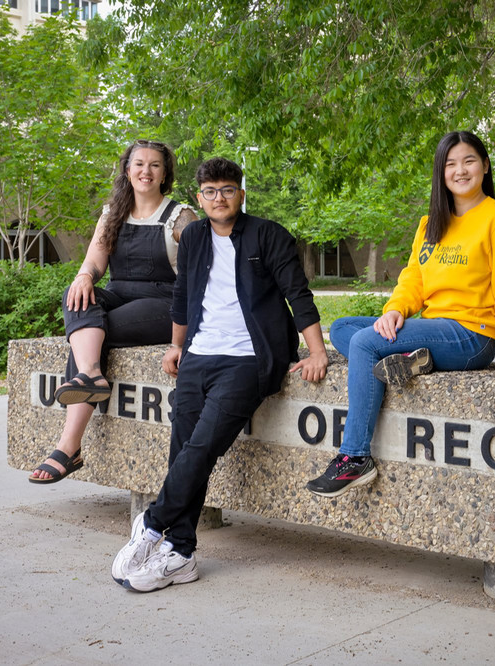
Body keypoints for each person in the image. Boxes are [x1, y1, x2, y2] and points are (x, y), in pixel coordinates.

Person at [113, 157, 328, 592]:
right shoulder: (193, 236)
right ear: (199, 197)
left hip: (248, 359)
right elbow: (184, 296)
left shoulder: (267, 234)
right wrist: (177, 345)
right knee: (186, 447)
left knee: (202, 445)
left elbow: (297, 295)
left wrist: (317, 351)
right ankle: (183, 554)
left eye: (227, 189)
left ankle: (152, 526)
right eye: (210, 191)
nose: (219, 198)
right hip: (198, 356)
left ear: (241, 194)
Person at [305, 130, 495, 498]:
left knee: (364, 343)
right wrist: (393, 311)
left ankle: (354, 457)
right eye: (450, 164)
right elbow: (413, 280)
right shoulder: (430, 223)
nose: (461, 170)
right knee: (343, 328)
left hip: (472, 334)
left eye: (469, 160)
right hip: (435, 328)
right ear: (441, 173)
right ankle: (413, 359)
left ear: (485, 166)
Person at [30, 140, 198, 483]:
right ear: (127, 170)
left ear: (165, 174)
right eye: (139, 164)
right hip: (120, 293)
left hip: (167, 302)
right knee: (76, 294)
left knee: (93, 333)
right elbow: (94, 261)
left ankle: (68, 445)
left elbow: (201, 273)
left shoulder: (180, 216)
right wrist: (84, 276)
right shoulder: (113, 213)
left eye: (154, 165)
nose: (145, 171)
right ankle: (90, 374)